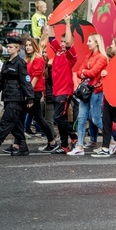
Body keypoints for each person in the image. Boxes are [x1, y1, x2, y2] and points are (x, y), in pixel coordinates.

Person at [0, 37, 34, 155]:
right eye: (8, 47)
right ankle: (23, 147)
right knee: (15, 123)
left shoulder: (20, 63)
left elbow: (25, 81)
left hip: (16, 97)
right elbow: (1, 80)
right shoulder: (7, 63)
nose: (8, 49)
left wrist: (30, 96)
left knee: (5, 122)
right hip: (8, 96)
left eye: (11, 47)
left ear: (17, 48)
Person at [69, 33, 108, 155]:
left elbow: (92, 72)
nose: (87, 43)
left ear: (96, 42)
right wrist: (85, 72)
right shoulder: (88, 56)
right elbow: (80, 72)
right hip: (87, 91)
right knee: (81, 118)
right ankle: (79, 146)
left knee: (96, 119)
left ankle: (111, 140)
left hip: (96, 90)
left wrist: (84, 72)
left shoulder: (102, 57)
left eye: (90, 41)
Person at [48, 20, 78, 154]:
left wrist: (67, 23)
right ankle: (64, 145)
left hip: (65, 91)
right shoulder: (58, 52)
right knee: (61, 119)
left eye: (65, 42)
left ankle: (73, 136)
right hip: (56, 90)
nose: (62, 43)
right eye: (62, 41)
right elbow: (51, 37)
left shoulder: (70, 55)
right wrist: (50, 24)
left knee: (58, 117)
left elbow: (69, 41)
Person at [22, 37, 56, 151]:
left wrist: (28, 93)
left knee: (38, 118)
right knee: (31, 117)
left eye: (30, 45)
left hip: (34, 92)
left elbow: (36, 77)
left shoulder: (38, 58)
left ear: (34, 46)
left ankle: (52, 141)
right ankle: (19, 143)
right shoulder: (27, 58)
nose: (27, 47)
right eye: (26, 45)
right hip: (29, 91)